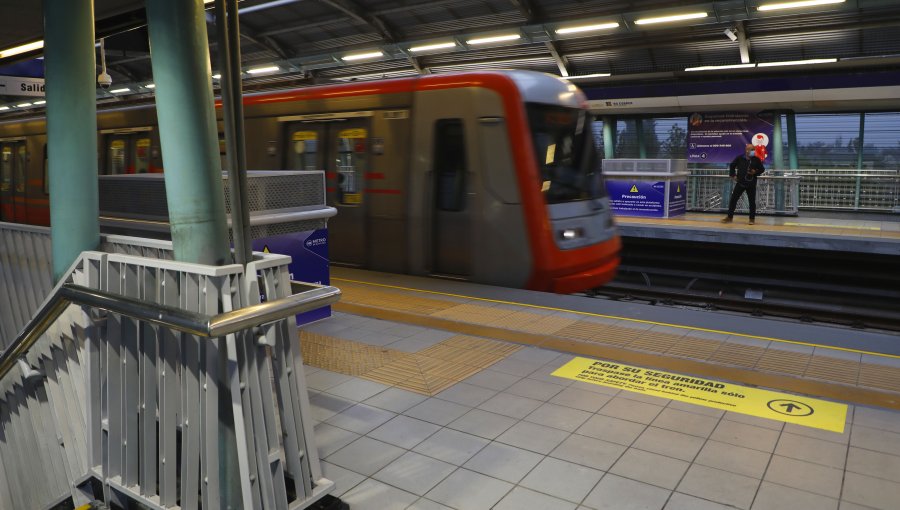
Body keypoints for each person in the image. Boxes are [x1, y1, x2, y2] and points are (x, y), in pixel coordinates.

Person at [722, 143, 765, 225]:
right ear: (747, 150)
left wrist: (755, 172)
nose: (753, 151)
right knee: (733, 200)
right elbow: (732, 165)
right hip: (740, 183)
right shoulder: (740, 158)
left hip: (751, 184)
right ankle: (729, 217)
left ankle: (752, 219)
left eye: (754, 150)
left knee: (752, 202)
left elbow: (762, 169)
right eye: (752, 150)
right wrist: (733, 175)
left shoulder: (756, 159)